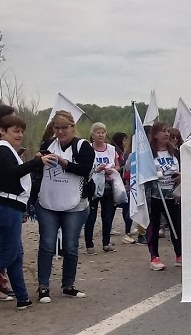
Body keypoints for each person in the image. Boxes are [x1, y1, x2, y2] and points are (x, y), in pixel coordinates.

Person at [30, 110, 94, 303]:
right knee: (47, 245)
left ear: (73, 127)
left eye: (64, 127)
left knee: (70, 246)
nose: (60, 131)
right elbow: (38, 169)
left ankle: (68, 285)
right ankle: (43, 286)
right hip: (48, 201)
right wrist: (37, 159)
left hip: (75, 204)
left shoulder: (83, 146)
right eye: (56, 128)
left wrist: (64, 162)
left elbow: (85, 170)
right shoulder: (48, 145)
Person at [0, 112, 56, 310]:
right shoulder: (3, 149)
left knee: (16, 254)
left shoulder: (9, 150)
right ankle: (22, 297)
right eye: (15, 131)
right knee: (11, 251)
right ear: (2, 131)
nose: (20, 135)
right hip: (7, 205)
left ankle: (22, 298)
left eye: (22, 131)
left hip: (12, 205)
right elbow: (10, 174)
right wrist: (36, 163)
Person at [146, 122, 182, 271]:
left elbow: (185, 169)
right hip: (154, 196)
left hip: (172, 195)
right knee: (154, 226)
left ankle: (179, 255)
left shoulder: (175, 153)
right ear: (155, 135)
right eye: (162, 131)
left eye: (167, 131)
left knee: (177, 225)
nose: (166, 134)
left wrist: (180, 176)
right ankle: (154, 257)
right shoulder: (148, 154)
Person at [83, 123, 120, 254]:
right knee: (91, 216)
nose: (100, 135)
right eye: (98, 132)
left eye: (103, 132)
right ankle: (89, 244)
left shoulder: (111, 149)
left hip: (108, 185)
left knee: (108, 215)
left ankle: (106, 242)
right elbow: (84, 167)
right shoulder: (87, 148)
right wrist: (96, 170)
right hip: (93, 186)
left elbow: (117, 166)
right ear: (92, 134)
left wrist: (112, 170)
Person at [110, 132, 136, 245]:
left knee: (125, 207)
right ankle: (126, 231)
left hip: (123, 183)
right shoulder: (117, 151)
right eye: (123, 140)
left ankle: (128, 230)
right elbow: (125, 169)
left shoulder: (125, 152)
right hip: (118, 183)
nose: (125, 142)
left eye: (126, 140)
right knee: (118, 207)